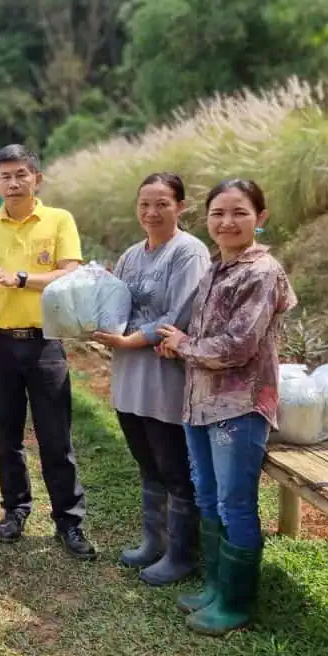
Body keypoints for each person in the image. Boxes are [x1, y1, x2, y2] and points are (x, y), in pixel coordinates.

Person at [158, 179, 296, 636]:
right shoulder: (217, 266)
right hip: (200, 403)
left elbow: (238, 347)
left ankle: (236, 602)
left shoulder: (262, 272)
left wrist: (184, 345)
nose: (227, 222)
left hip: (239, 406)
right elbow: (202, 334)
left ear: (261, 216)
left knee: (235, 503)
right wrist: (181, 345)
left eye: (239, 212)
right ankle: (217, 588)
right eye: (218, 213)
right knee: (208, 494)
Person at [0, 143, 96, 558]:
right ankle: (15, 509)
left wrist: (22, 278)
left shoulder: (59, 220)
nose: (12, 182)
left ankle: (69, 521)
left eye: (20, 174)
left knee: (55, 438)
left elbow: (72, 274)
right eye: (5, 176)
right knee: (7, 436)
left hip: (45, 343)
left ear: (36, 178)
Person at [91, 173, 210, 585]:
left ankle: (182, 554)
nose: (152, 212)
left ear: (180, 206)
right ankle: (153, 542)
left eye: (162, 203)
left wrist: (126, 340)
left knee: (174, 467)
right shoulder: (130, 255)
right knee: (147, 464)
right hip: (130, 379)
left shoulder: (189, 253)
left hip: (166, 378)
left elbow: (177, 316)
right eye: (144, 204)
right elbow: (114, 304)